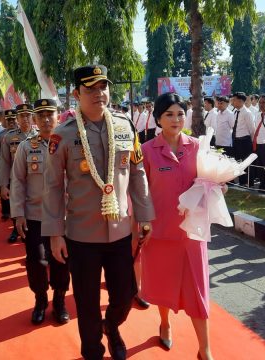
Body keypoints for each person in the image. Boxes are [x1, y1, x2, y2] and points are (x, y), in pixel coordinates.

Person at [44, 65, 155, 360]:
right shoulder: (62, 135)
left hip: (120, 231)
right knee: (87, 302)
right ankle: (92, 351)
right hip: (81, 235)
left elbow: (137, 172)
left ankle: (113, 327)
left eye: (103, 86)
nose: (99, 93)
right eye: (91, 88)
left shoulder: (124, 126)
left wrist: (144, 216)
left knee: (124, 294)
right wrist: (55, 234)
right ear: (77, 93)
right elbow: (53, 186)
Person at [140, 92, 213, 360]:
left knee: (198, 290)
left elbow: (209, 181)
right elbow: (139, 192)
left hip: (192, 232)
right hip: (159, 233)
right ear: (158, 118)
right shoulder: (146, 151)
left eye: (180, 113)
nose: (176, 119)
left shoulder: (197, 146)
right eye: (169, 114)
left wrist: (218, 186)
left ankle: (205, 349)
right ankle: (164, 322)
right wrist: (141, 224)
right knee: (161, 284)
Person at [11, 99, 70, 325]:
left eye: (50, 114)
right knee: (36, 261)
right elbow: (17, 180)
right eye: (41, 115)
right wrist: (18, 213)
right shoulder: (26, 147)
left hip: (63, 215)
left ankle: (60, 300)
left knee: (62, 260)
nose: (46, 119)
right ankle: (40, 299)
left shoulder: (69, 144)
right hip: (35, 215)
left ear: (58, 116)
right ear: (35, 119)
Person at [0, 104, 37, 244]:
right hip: (16, 180)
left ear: (32, 117)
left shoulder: (39, 134)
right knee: (17, 207)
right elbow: (4, 162)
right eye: (22, 116)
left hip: (36, 181)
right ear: (17, 118)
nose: (25, 118)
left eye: (28, 115)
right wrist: (3, 185)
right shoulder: (10, 137)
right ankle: (17, 230)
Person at [231, 92, 256, 186]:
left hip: (245, 141)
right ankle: (242, 181)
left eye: (234, 100)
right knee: (239, 161)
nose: (232, 102)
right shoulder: (235, 111)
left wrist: (252, 143)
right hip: (236, 140)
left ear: (241, 101)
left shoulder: (247, 113)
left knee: (247, 162)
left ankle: (249, 182)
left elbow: (252, 130)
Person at [0, 110, 18, 221]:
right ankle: (6, 213)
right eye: (8, 120)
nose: (11, 122)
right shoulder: (1, 135)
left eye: (13, 119)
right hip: (7, 169)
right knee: (9, 197)